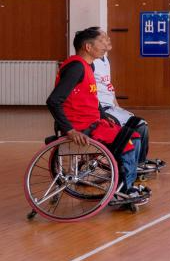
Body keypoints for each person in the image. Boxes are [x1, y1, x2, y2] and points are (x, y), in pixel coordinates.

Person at [45, 27, 147, 201]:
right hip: (81, 127)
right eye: (101, 42)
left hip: (93, 123)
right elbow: (53, 100)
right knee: (129, 141)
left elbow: (93, 98)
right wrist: (70, 130)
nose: (105, 46)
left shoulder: (88, 66)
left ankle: (124, 184)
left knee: (134, 134)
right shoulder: (76, 67)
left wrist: (105, 117)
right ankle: (125, 190)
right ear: (88, 47)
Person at [94, 30, 161, 170]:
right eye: (103, 38)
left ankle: (138, 162)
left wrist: (118, 107)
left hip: (111, 107)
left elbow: (109, 87)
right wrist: (101, 113)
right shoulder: (90, 63)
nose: (108, 39)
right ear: (92, 44)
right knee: (138, 126)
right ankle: (130, 164)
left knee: (141, 123)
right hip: (101, 109)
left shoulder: (105, 59)